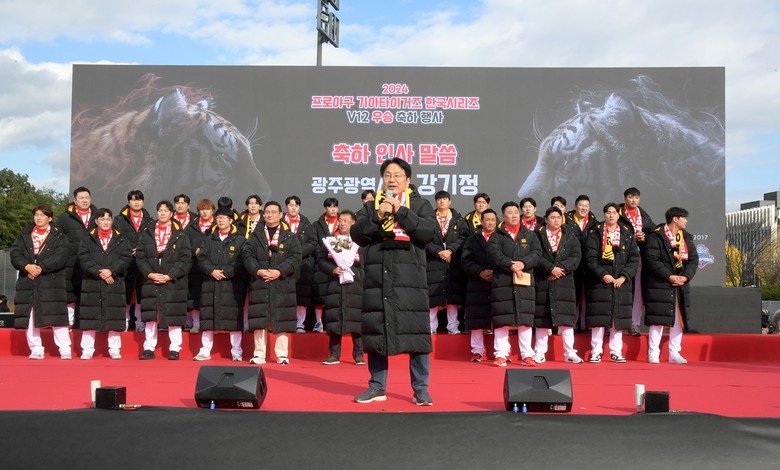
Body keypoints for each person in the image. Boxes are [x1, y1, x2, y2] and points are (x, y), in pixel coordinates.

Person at [351, 157, 436, 406]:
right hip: (378, 279)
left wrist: (401, 210)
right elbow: (357, 235)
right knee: (377, 333)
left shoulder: (420, 204)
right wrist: (378, 215)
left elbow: (428, 233)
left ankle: (420, 389)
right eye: (387, 175)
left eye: (397, 175)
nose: (392, 179)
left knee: (416, 335)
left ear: (407, 180)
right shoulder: (371, 206)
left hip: (410, 281)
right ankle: (377, 386)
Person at [242, 201, 302, 365]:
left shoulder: (289, 236)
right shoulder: (255, 235)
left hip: (282, 282)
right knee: (259, 319)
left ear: (280, 215)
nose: (269, 215)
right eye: (267, 212)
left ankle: (282, 354)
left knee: (282, 318)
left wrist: (279, 271)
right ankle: (259, 354)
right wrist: (258, 270)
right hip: (260, 282)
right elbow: (247, 255)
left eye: (273, 212)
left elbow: (296, 257)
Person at [10, 205, 71, 359]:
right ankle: (36, 348)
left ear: (49, 218)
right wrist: (27, 266)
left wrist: (41, 268)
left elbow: (61, 257)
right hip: (28, 281)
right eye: (36, 215)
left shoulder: (59, 236)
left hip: (51, 282)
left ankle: (64, 348)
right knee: (30, 315)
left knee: (56, 315)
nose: (38, 218)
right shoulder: (25, 235)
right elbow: (15, 254)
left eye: (42, 215)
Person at [488, 201, 542, 367]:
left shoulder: (530, 235)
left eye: (515, 212)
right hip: (503, 282)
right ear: (503, 216)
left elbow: (537, 254)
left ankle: (527, 355)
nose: (513, 215)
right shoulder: (496, 236)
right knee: (502, 319)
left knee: (525, 319)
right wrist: (510, 265)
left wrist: (523, 263)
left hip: (524, 282)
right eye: (509, 213)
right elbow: (493, 254)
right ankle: (501, 355)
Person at [135, 200, 191, 360]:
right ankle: (148, 348)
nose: (163, 213)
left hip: (172, 280)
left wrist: (170, 275)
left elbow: (185, 258)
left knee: (174, 314)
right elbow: (140, 257)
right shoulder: (147, 232)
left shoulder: (180, 234)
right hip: (151, 278)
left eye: (166, 211)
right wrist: (150, 274)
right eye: (160, 210)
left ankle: (174, 349)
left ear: (171, 214)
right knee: (151, 314)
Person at [584, 203, 639, 363]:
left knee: (618, 318)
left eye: (614, 212)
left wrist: (623, 276)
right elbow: (590, 259)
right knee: (599, 318)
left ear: (618, 215)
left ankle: (616, 351)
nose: (611, 215)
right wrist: (603, 275)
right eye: (608, 212)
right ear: (604, 215)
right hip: (600, 281)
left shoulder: (626, 233)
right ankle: (596, 351)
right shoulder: (595, 232)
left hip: (621, 282)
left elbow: (634, 259)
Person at [644, 207, 698, 364]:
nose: (686, 221)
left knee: (678, 319)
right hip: (660, 283)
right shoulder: (656, 236)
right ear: (675, 219)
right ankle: (653, 353)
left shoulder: (686, 237)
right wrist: (669, 276)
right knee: (658, 318)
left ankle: (674, 352)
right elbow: (651, 259)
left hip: (681, 284)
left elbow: (693, 259)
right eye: (684, 218)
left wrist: (685, 277)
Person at [193, 206, 247, 362]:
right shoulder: (208, 239)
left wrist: (226, 272)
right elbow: (201, 259)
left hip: (232, 285)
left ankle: (236, 351)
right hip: (210, 283)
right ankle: (205, 351)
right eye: (218, 217)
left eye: (224, 217)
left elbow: (243, 261)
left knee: (234, 318)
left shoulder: (240, 240)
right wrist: (211, 271)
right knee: (207, 317)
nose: (221, 220)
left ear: (231, 220)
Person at [77, 208, 132, 360]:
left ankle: (114, 349)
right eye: (102, 219)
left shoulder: (121, 238)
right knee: (89, 315)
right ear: (96, 221)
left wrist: (111, 271)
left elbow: (126, 257)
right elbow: (84, 258)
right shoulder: (87, 238)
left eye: (108, 219)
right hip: (92, 282)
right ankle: (87, 349)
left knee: (114, 316)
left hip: (114, 282)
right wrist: (99, 272)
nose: (105, 222)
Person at [532, 207, 583, 363]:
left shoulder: (570, 236)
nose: (556, 220)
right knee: (542, 320)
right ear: (546, 219)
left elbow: (576, 257)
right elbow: (536, 255)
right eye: (552, 217)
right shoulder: (537, 236)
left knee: (566, 320)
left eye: (558, 217)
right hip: (544, 280)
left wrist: (561, 269)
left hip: (564, 282)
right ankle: (539, 352)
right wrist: (550, 268)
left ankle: (570, 353)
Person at [319, 210, 365, 365]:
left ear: (353, 223)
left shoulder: (360, 242)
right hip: (335, 284)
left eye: (346, 221)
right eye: (341, 220)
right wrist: (333, 269)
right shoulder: (331, 240)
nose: (342, 223)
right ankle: (334, 354)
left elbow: (366, 264)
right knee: (334, 318)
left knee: (357, 319)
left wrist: (357, 274)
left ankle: (359, 354)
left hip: (355, 285)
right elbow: (321, 261)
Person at [56, 186, 98, 328]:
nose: (84, 200)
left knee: (90, 293)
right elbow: (57, 239)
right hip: (71, 262)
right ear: (75, 200)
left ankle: (88, 323)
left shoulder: (99, 216)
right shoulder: (64, 218)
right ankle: (69, 322)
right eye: (81, 198)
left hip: (93, 262)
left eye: (87, 198)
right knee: (70, 293)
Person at [114, 190, 155, 331]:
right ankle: (124, 321)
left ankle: (139, 322)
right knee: (124, 291)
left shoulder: (150, 221)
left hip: (143, 261)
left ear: (143, 202)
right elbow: (117, 238)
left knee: (141, 293)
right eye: (133, 200)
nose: (136, 202)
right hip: (124, 261)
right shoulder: (119, 220)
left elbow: (151, 240)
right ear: (128, 202)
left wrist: (140, 249)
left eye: (139, 200)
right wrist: (129, 249)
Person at [426, 190, 467, 335]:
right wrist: (438, 251)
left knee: (452, 296)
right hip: (434, 262)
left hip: (453, 262)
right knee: (432, 295)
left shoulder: (459, 219)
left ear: (450, 201)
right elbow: (424, 238)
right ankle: (431, 326)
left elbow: (464, 238)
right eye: (439, 199)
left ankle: (453, 326)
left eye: (444, 199)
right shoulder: (429, 219)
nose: (441, 201)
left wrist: (451, 250)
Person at [461, 208, 498, 362]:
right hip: (477, 282)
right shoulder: (472, 239)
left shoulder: (502, 237)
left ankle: (501, 352)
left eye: (493, 220)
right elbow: (466, 260)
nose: (490, 222)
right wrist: (480, 272)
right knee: (477, 318)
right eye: (487, 220)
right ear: (481, 221)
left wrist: (497, 272)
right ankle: (477, 351)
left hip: (498, 282)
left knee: (500, 318)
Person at [619, 187, 656, 336]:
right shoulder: (617, 214)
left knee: (638, 291)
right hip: (621, 258)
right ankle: (616, 323)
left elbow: (653, 233)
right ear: (625, 198)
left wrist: (645, 237)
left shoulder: (644, 216)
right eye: (630, 197)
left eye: (636, 197)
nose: (633, 200)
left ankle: (634, 323)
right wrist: (631, 238)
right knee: (620, 289)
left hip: (639, 257)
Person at [284, 195, 318, 333]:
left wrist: (299, 252)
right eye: (291, 205)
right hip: (283, 263)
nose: (294, 208)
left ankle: (300, 324)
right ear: (286, 207)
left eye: (296, 205)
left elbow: (313, 241)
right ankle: (286, 323)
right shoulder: (280, 221)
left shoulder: (305, 222)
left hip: (302, 263)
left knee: (301, 295)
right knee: (285, 295)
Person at [183, 199, 216, 333]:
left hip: (212, 266)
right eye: (202, 209)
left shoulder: (217, 225)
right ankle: (195, 323)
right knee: (194, 295)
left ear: (213, 210)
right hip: (194, 266)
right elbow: (184, 246)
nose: (205, 212)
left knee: (209, 296)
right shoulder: (191, 226)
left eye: (207, 209)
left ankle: (210, 323)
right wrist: (195, 251)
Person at [568, 195, 599, 331]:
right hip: (572, 263)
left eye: (586, 206)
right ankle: (572, 323)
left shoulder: (595, 224)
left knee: (588, 294)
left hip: (588, 264)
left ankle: (585, 324)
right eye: (581, 205)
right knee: (572, 294)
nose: (584, 208)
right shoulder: (566, 221)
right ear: (575, 206)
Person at [311, 198, 340, 333]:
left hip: (339, 263)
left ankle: (336, 322)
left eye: (335, 207)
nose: (333, 209)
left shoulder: (342, 222)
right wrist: (323, 253)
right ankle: (318, 322)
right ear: (325, 209)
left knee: (336, 295)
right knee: (320, 294)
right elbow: (314, 243)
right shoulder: (317, 225)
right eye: (330, 207)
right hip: (322, 262)